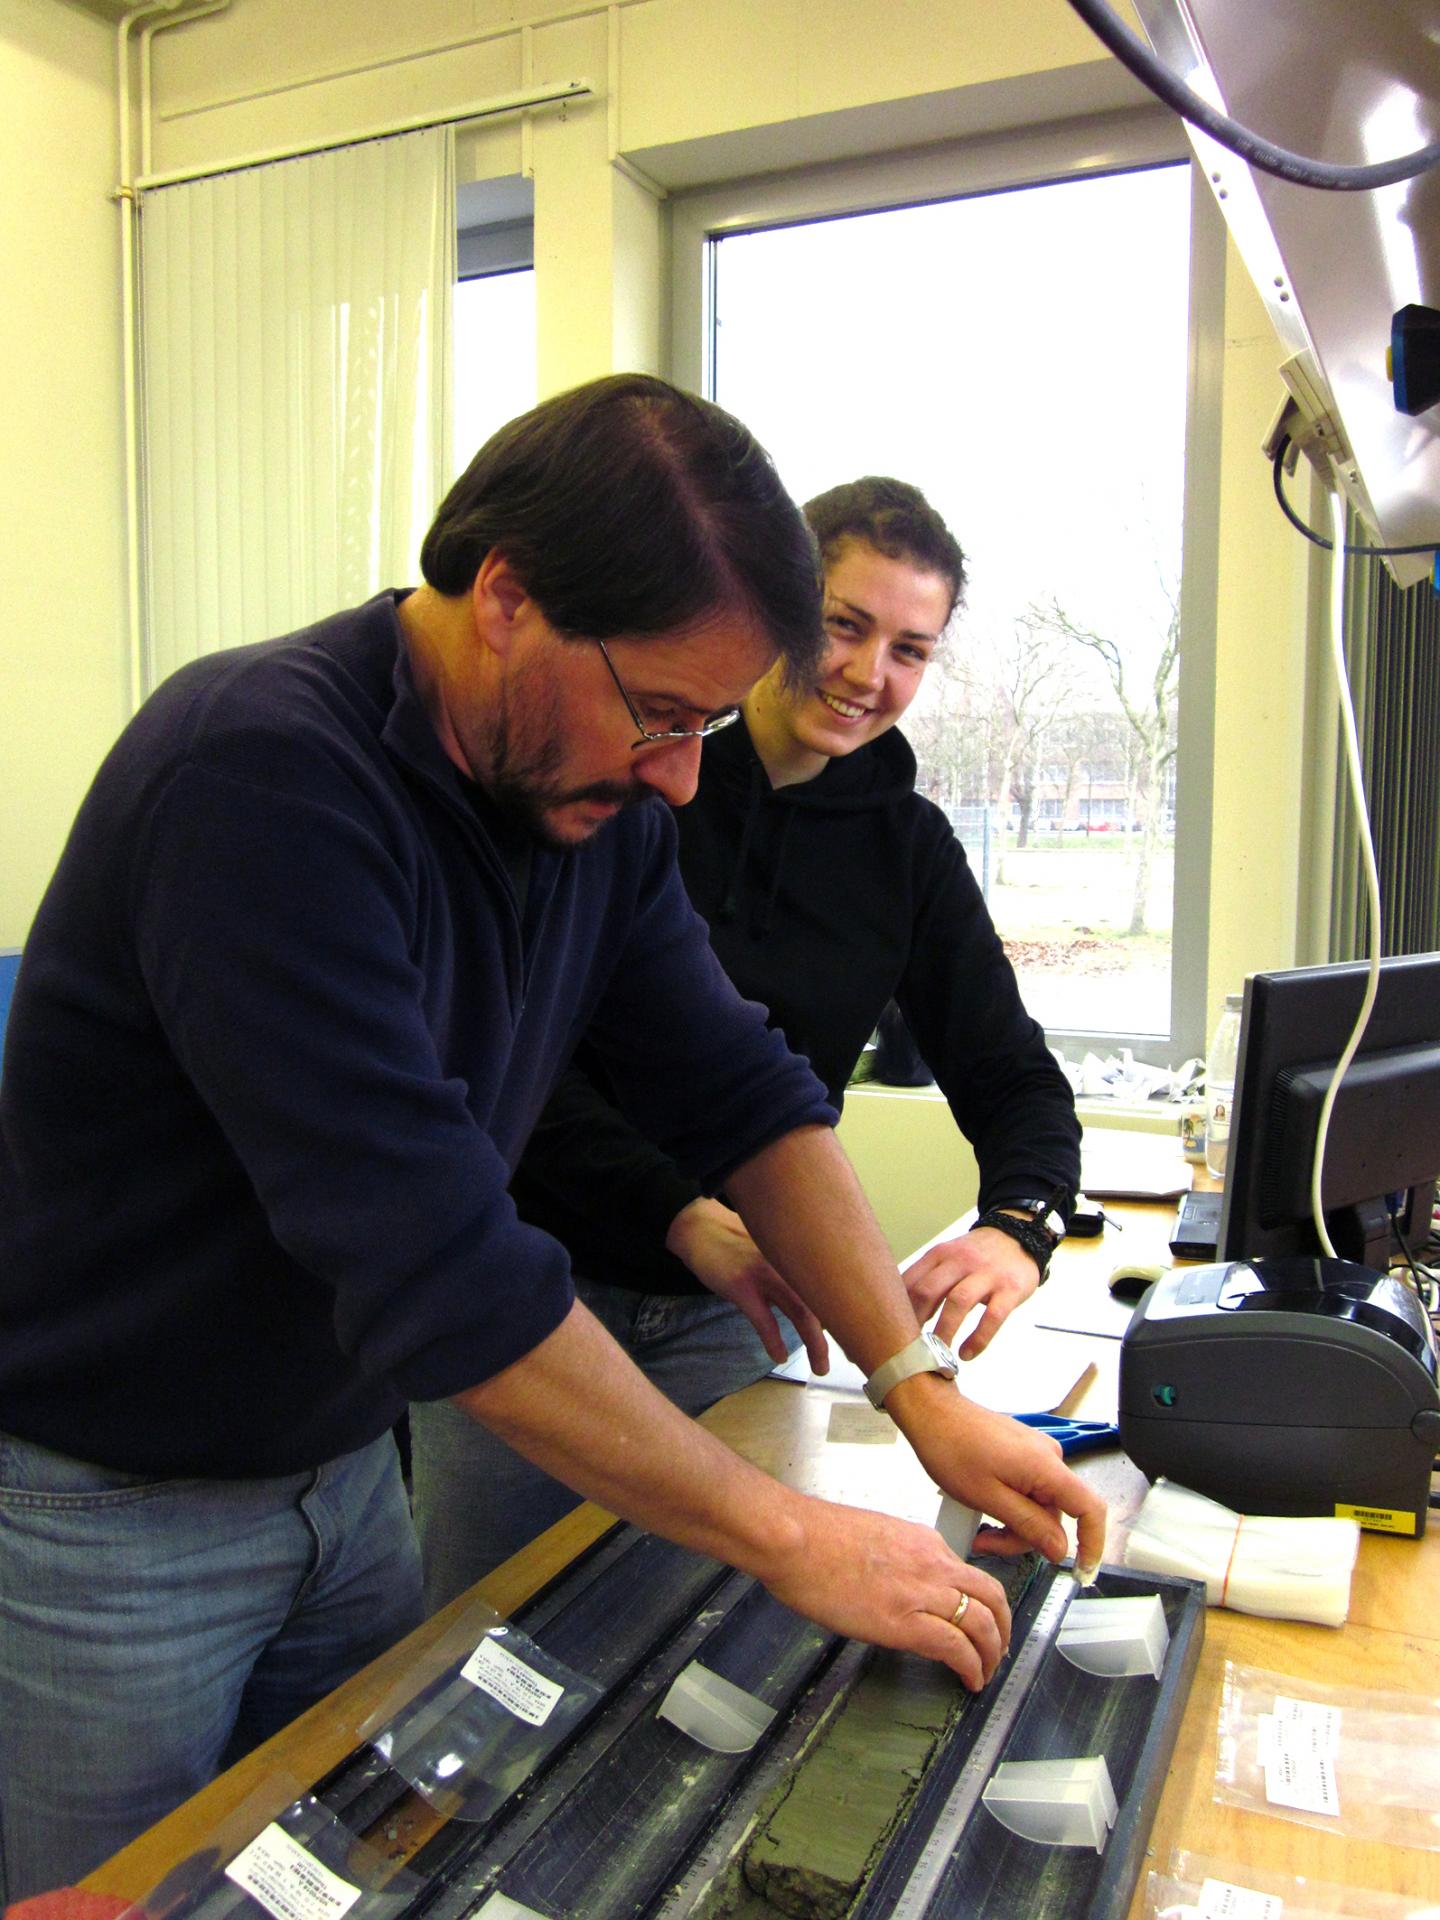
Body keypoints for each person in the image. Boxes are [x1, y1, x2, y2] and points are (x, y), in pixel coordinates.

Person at [0, 385, 1103, 1897]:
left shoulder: (597, 807)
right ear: (507, 595)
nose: (681, 773)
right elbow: (448, 1270)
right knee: (117, 1891)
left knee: (354, 1872)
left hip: (339, 1476)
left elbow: (745, 1091)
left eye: (709, 725)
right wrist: (788, 1534)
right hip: (108, 1514)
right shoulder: (258, 774)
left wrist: (916, 1388)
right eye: (661, 712)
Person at [412, 476, 1082, 1606]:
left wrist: (1019, 1227)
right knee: (488, 1636)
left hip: (746, 1310)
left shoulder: (903, 846)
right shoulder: (620, 781)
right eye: (844, 624)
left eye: (910, 649)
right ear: (774, 606)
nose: (870, 674)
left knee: (689, 1635)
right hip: (542, 1286)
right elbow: (520, 1065)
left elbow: (1000, 1071)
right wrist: (679, 1212)